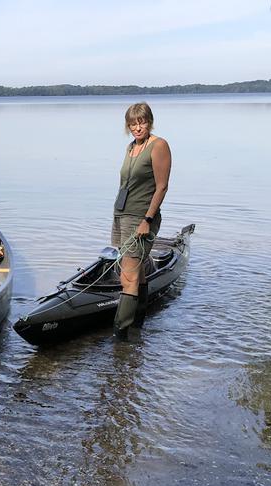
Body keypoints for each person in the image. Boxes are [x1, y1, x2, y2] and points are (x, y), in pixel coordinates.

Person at [111, 102, 172, 339]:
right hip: (121, 215)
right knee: (138, 271)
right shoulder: (130, 147)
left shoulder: (159, 145)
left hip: (140, 217)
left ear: (149, 122)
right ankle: (138, 327)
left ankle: (121, 335)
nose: (138, 127)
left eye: (142, 122)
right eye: (133, 123)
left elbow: (162, 186)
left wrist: (147, 219)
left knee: (129, 276)